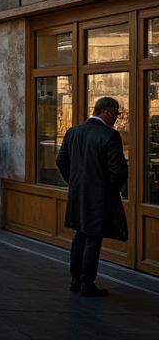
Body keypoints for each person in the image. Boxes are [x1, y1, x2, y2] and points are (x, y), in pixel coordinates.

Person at [56, 96, 128, 297]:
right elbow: (119, 170)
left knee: (79, 236)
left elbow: (61, 161)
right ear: (106, 112)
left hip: (79, 194)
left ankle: (76, 280)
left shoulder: (73, 132)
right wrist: (107, 189)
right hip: (98, 197)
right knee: (93, 238)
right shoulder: (109, 135)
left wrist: (75, 182)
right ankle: (87, 284)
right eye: (116, 113)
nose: (117, 117)